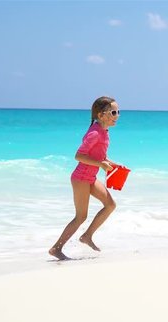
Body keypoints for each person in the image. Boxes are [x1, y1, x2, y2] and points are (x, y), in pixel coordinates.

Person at [49, 96, 121, 260]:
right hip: (81, 178)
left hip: (90, 177)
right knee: (81, 216)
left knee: (110, 205)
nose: (117, 115)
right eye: (114, 112)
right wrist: (100, 164)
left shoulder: (104, 132)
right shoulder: (95, 133)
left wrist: (112, 164)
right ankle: (56, 248)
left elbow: (100, 155)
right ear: (102, 115)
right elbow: (79, 156)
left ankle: (87, 236)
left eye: (118, 112)